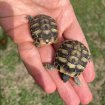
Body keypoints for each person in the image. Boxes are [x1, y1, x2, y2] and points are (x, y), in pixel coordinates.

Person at [0, 0, 95, 105]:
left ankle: (86, 56)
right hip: (73, 48)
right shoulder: (70, 71)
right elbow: (55, 66)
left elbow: (55, 66)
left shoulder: (72, 73)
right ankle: (86, 56)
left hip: (73, 48)